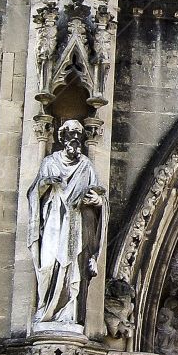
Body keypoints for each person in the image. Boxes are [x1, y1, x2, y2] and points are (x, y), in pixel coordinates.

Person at [27, 119, 107, 327]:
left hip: (77, 225)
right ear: (62, 137)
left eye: (78, 134)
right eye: (70, 133)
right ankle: (45, 309)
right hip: (54, 219)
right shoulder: (50, 162)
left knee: (74, 271)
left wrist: (97, 201)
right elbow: (34, 193)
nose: (74, 138)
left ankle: (67, 314)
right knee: (47, 266)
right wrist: (47, 182)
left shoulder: (86, 166)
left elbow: (99, 197)